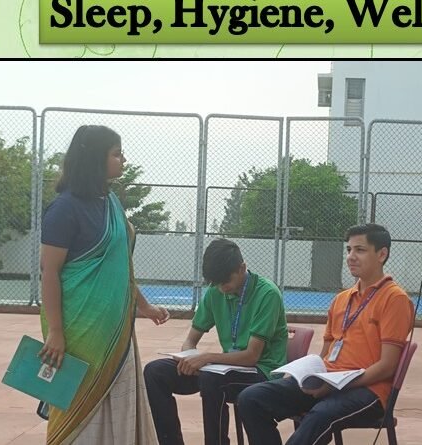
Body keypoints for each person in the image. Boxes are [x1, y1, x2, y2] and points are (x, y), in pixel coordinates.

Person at [38, 125, 169, 444]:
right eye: (116, 154)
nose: (123, 160)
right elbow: (49, 272)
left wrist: (144, 306)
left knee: (117, 406)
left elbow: (120, 266)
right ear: (95, 158)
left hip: (116, 331)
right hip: (79, 331)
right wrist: (56, 331)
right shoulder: (64, 208)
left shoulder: (111, 202)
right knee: (77, 410)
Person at [237, 223, 415, 445]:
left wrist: (336, 385)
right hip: (328, 381)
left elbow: (387, 366)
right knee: (251, 398)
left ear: (382, 254)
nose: (351, 256)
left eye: (360, 250)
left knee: (320, 415)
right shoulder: (342, 299)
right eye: (348, 249)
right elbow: (325, 354)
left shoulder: (395, 299)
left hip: (368, 390)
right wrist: (306, 375)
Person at [143, 238, 289, 445]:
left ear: (242, 268)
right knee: (155, 372)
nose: (221, 288)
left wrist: (206, 358)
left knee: (212, 379)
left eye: (225, 281)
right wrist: (189, 357)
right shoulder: (215, 291)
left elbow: (251, 356)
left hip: (261, 371)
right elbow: (190, 340)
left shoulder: (267, 294)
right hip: (223, 369)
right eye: (216, 283)